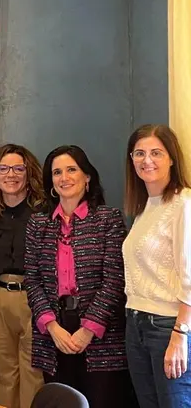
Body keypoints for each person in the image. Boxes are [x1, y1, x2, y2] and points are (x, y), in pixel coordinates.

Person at [24, 145, 132, 408]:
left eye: (72, 169)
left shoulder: (108, 219)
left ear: (87, 177)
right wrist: (52, 327)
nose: (64, 177)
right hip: (54, 334)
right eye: (57, 172)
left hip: (100, 337)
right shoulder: (39, 223)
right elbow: (33, 280)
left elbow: (114, 281)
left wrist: (88, 330)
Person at [0, 144, 46, 408]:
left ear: (29, 173)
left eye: (18, 168)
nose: (10, 174)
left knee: (34, 372)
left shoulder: (44, 212)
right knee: (1, 374)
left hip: (37, 300)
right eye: (4, 168)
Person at [122, 124, 191, 407]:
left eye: (155, 153)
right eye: (139, 153)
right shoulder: (146, 207)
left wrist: (180, 335)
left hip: (168, 326)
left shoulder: (183, 204)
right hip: (136, 323)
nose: (146, 160)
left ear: (171, 158)